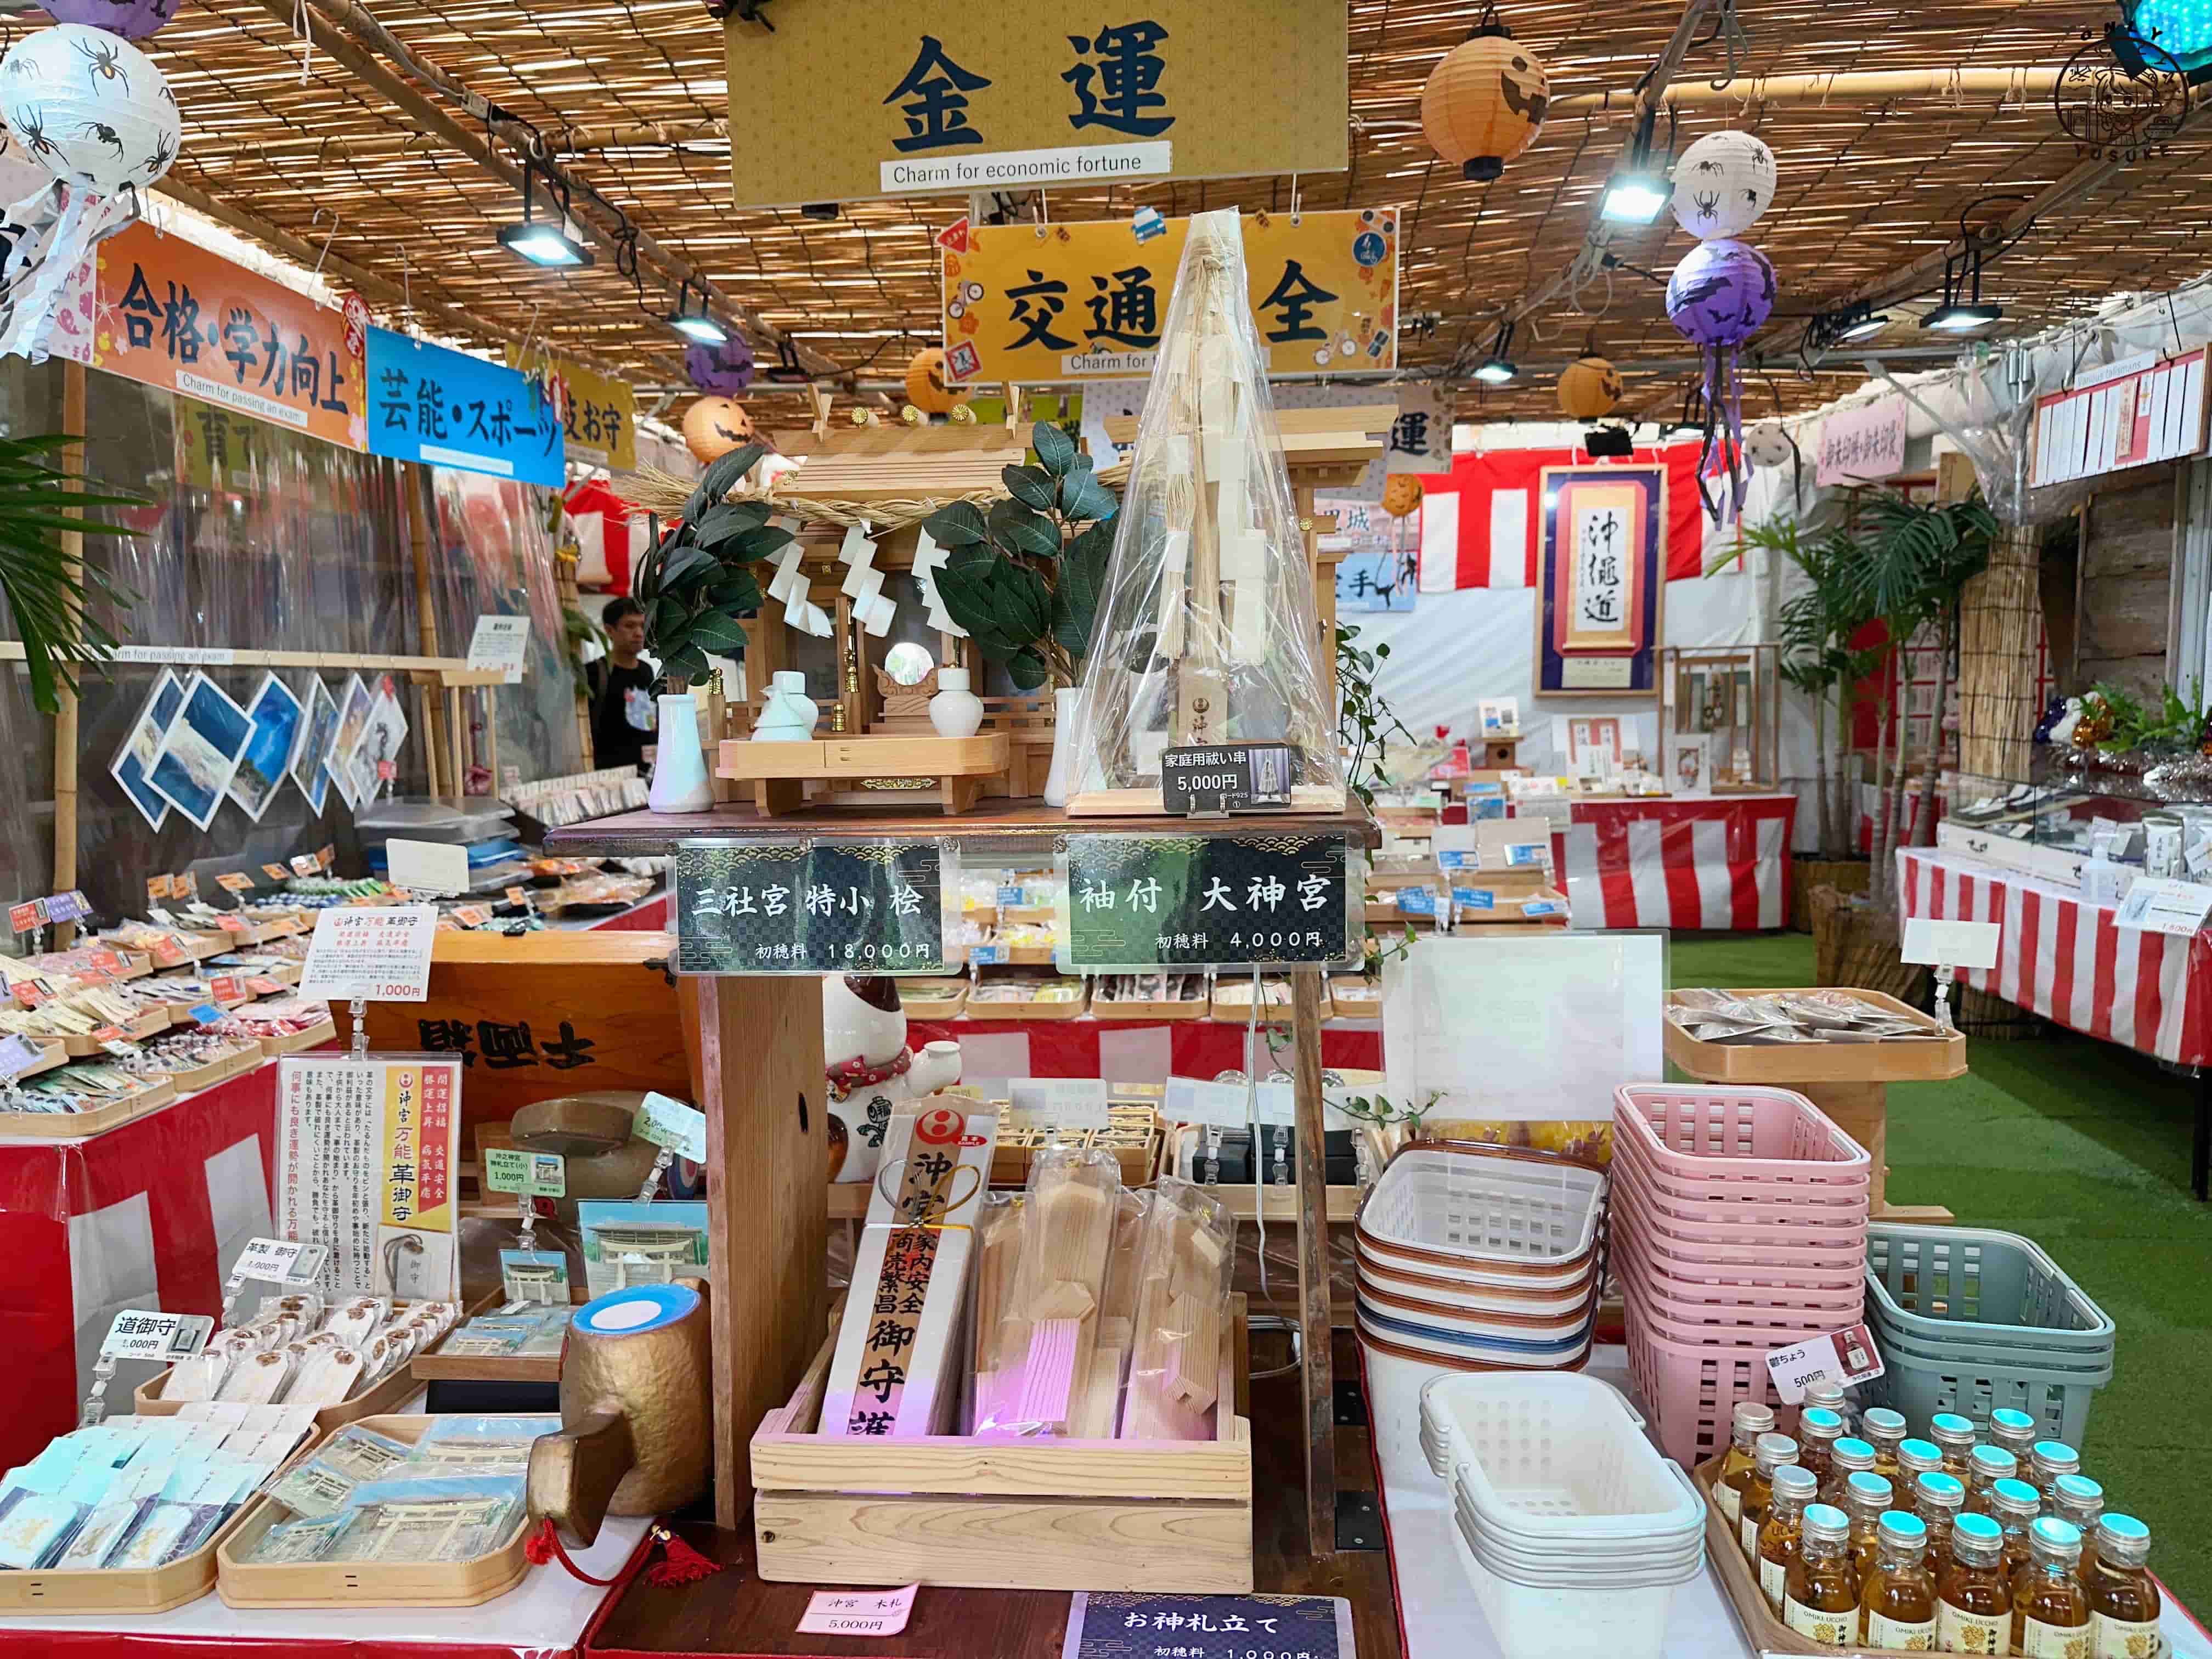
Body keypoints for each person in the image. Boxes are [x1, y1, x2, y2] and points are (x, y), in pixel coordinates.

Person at [586, 595, 657, 772]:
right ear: (610, 630)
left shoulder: (647, 671)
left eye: (642, 625)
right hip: (609, 777)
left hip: (648, 774)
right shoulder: (593, 672)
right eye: (630, 626)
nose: (639, 633)